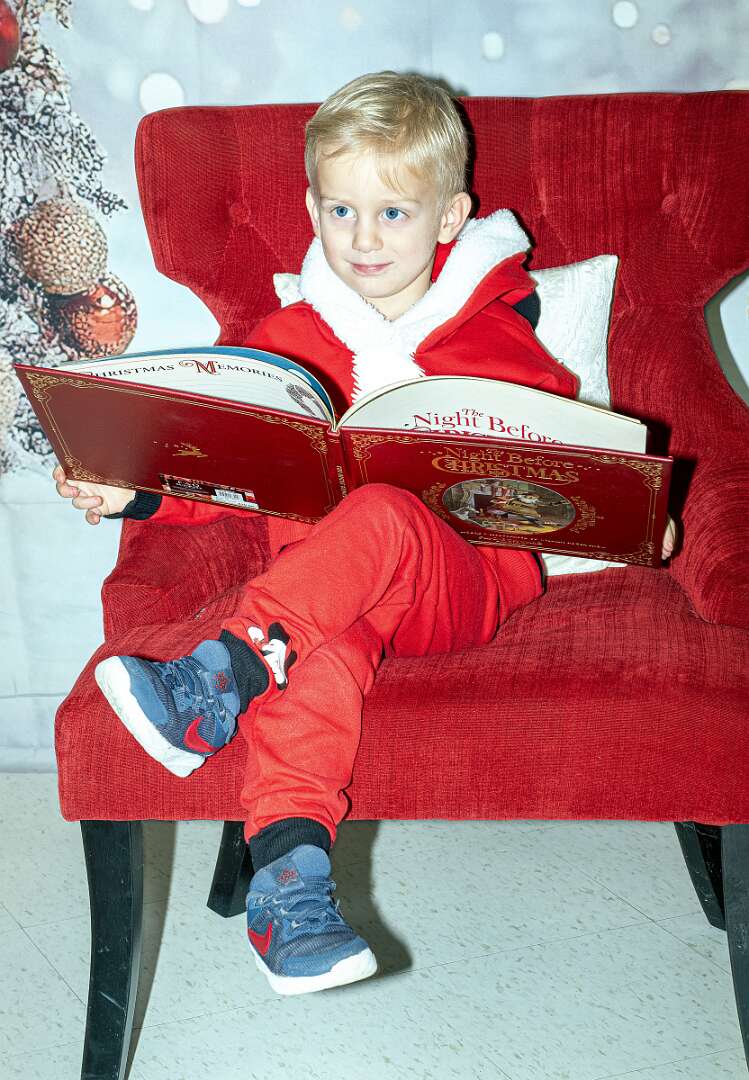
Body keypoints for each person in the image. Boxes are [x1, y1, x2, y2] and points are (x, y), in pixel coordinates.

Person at [54, 71, 678, 997]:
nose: (363, 237)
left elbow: (560, 471)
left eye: (393, 213)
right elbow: (226, 470)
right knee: (316, 649)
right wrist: (131, 497)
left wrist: (637, 522)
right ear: (313, 208)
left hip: (458, 587)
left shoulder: (502, 340)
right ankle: (290, 889)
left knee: (379, 514)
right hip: (315, 602)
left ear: (449, 217)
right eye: (342, 211)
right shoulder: (284, 339)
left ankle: (217, 674)